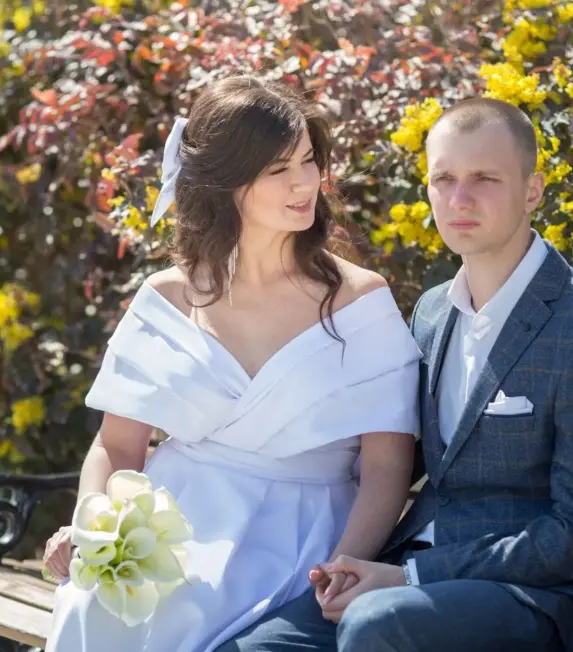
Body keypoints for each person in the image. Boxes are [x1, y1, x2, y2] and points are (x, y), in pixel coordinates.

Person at [218, 97, 573, 652]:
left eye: (484, 179)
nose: (459, 199)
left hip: (537, 599)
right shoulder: (431, 313)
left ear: (533, 191)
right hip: (409, 574)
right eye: (443, 178)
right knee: (252, 648)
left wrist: (411, 577)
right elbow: (395, 460)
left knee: (377, 624)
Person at [41, 75, 421, 652]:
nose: (304, 183)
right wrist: (91, 528)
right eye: (277, 170)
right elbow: (117, 447)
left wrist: (346, 565)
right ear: (226, 183)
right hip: (165, 523)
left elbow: (387, 468)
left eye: (309, 161)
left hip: (298, 533)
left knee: (192, 612)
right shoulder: (167, 297)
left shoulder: (360, 302)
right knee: (91, 606)